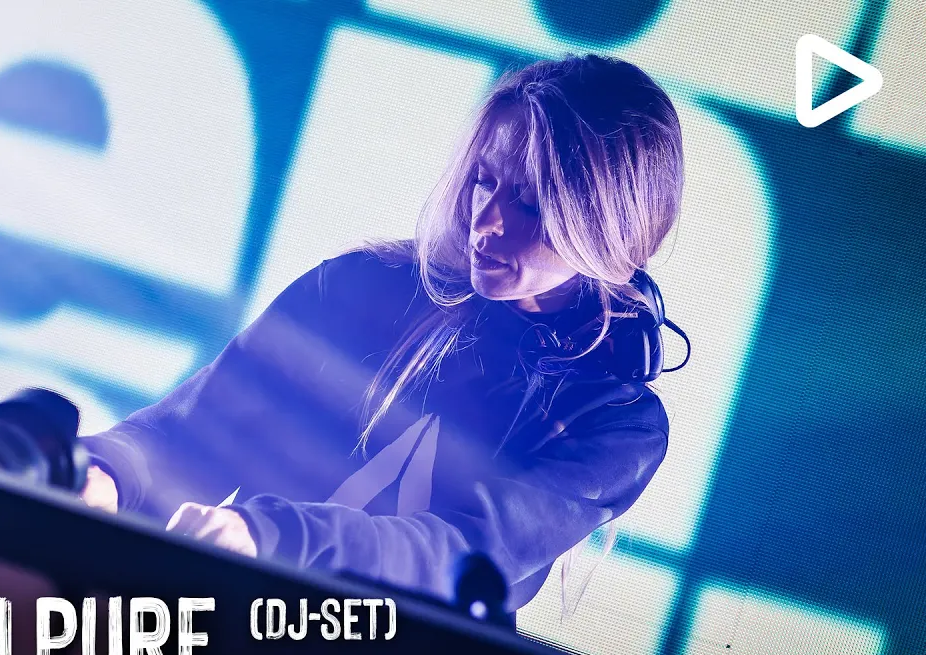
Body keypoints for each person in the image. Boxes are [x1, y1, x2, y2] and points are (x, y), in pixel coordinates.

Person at [68, 53, 686, 616]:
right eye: (484, 179)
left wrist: (272, 535)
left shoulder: (618, 424)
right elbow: (193, 430)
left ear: (610, 226)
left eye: (530, 202)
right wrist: (102, 474)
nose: (487, 220)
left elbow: (460, 553)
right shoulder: (356, 286)